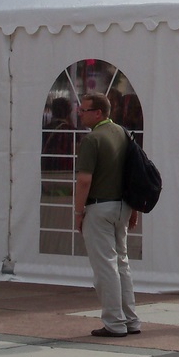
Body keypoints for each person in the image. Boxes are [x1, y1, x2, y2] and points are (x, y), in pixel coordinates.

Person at [73, 92, 141, 338]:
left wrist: (78, 212)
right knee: (121, 263)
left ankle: (114, 322)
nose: (80, 114)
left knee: (105, 267)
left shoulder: (92, 140)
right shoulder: (123, 133)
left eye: (84, 110)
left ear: (98, 113)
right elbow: (133, 174)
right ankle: (130, 319)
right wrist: (133, 208)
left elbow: (84, 180)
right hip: (122, 206)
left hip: (99, 206)